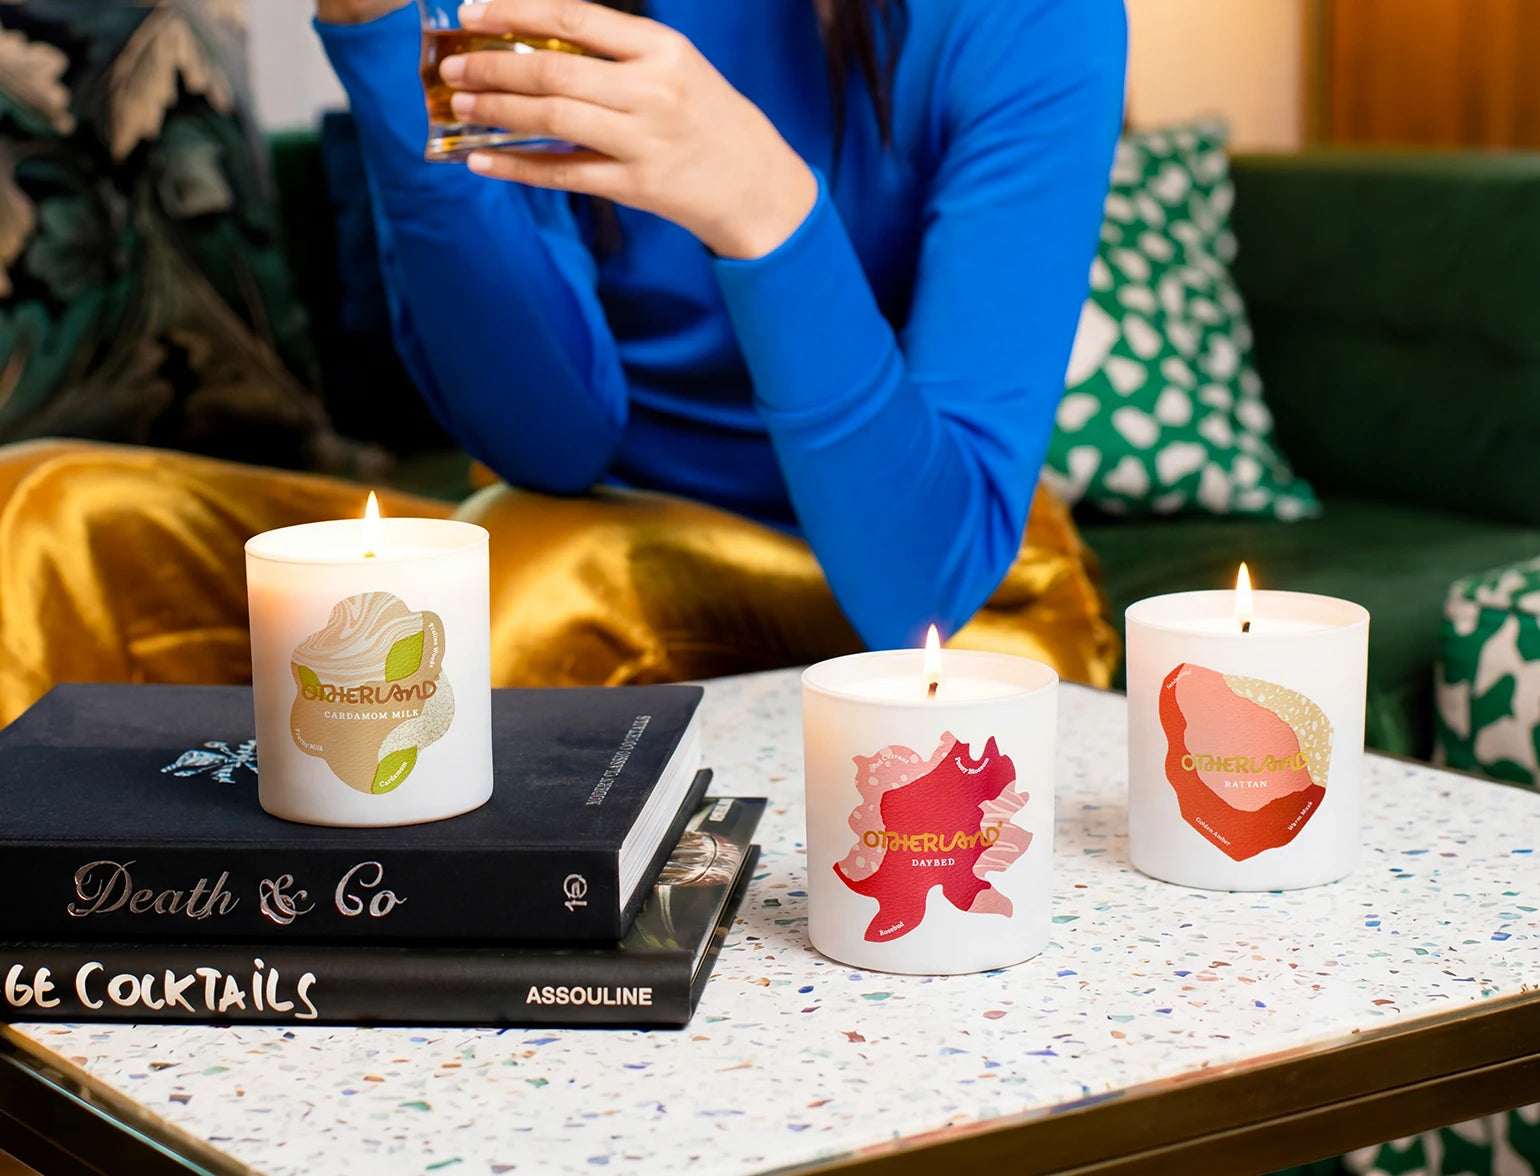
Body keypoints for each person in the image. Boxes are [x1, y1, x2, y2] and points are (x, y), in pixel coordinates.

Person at [0, 0, 1125, 725]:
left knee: (519, 580)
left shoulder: (1033, 21)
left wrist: (768, 213)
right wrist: (384, 36)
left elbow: (918, 580)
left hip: (943, 600)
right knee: (43, 517)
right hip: (577, 542)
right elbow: (550, 444)